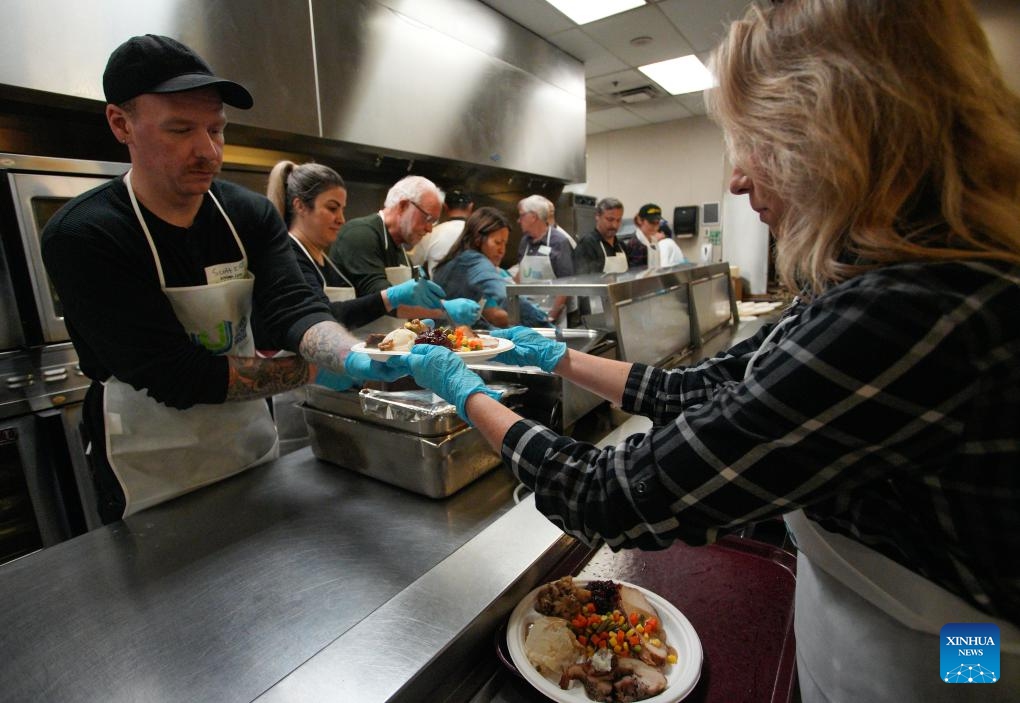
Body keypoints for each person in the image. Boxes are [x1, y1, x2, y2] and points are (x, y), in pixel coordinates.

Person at [395, 1, 1020, 700]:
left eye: (756, 139)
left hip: (946, 655)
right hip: (864, 628)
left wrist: (461, 386)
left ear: (837, 133)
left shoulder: (917, 308)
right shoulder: (879, 275)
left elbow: (611, 496)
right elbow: (699, 391)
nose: (737, 178)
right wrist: (557, 357)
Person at [40, 35, 405, 523]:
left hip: (248, 448)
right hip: (149, 471)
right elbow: (178, 374)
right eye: (180, 130)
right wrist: (315, 370)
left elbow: (292, 308)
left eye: (216, 129)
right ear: (120, 123)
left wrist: (349, 354)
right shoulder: (85, 234)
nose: (207, 150)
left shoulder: (246, 214)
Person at [261, 160, 446, 333]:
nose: (341, 219)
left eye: (342, 209)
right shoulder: (289, 257)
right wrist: (393, 297)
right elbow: (324, 315)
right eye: (332, 208)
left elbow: (345, 313)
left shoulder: (322, 259)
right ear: (300, 206)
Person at [327, 175, 479, 326]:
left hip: (385, 345)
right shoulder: (360, 235)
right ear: (403, 206)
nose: (429, 229)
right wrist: (444, 309)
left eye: (434, 222)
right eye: (427, 219)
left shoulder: (401, 251)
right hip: (354, 343)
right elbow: (382, 301)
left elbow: (408, 300)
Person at [431, 207, 551, 329]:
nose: (502, 250)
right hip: (447, 336)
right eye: (498, 242)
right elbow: (506, 295)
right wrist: (545, 325)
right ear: (478, 239)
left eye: (505, 244)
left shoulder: (460, 257)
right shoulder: (474, 262)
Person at [515, 194, 575, 325]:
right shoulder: (524, 242)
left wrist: (550, 318)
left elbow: (566, 284)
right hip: (526, 314)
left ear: (533, 217)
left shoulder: (559, 241)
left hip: (550, 317)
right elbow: (521, 273)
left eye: (521, 215)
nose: (518, 220)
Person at [411, 186, 474, 277]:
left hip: (437, 290)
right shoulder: (478, 234)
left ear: (445, 207)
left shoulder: (430, 233)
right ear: (470, 207)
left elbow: (414, 262)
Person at [572, 197, 628, 275]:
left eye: (618, 220)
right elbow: (583, 280)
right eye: (610, 219)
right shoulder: (587, 245)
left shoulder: (621, 246)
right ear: (597, 216)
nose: (614, 225)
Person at [634, 203, 686, 268]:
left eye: (657, 223)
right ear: (640, 220)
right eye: (652, 223)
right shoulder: (635, 244)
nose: (656, 227)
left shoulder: (656, 241)